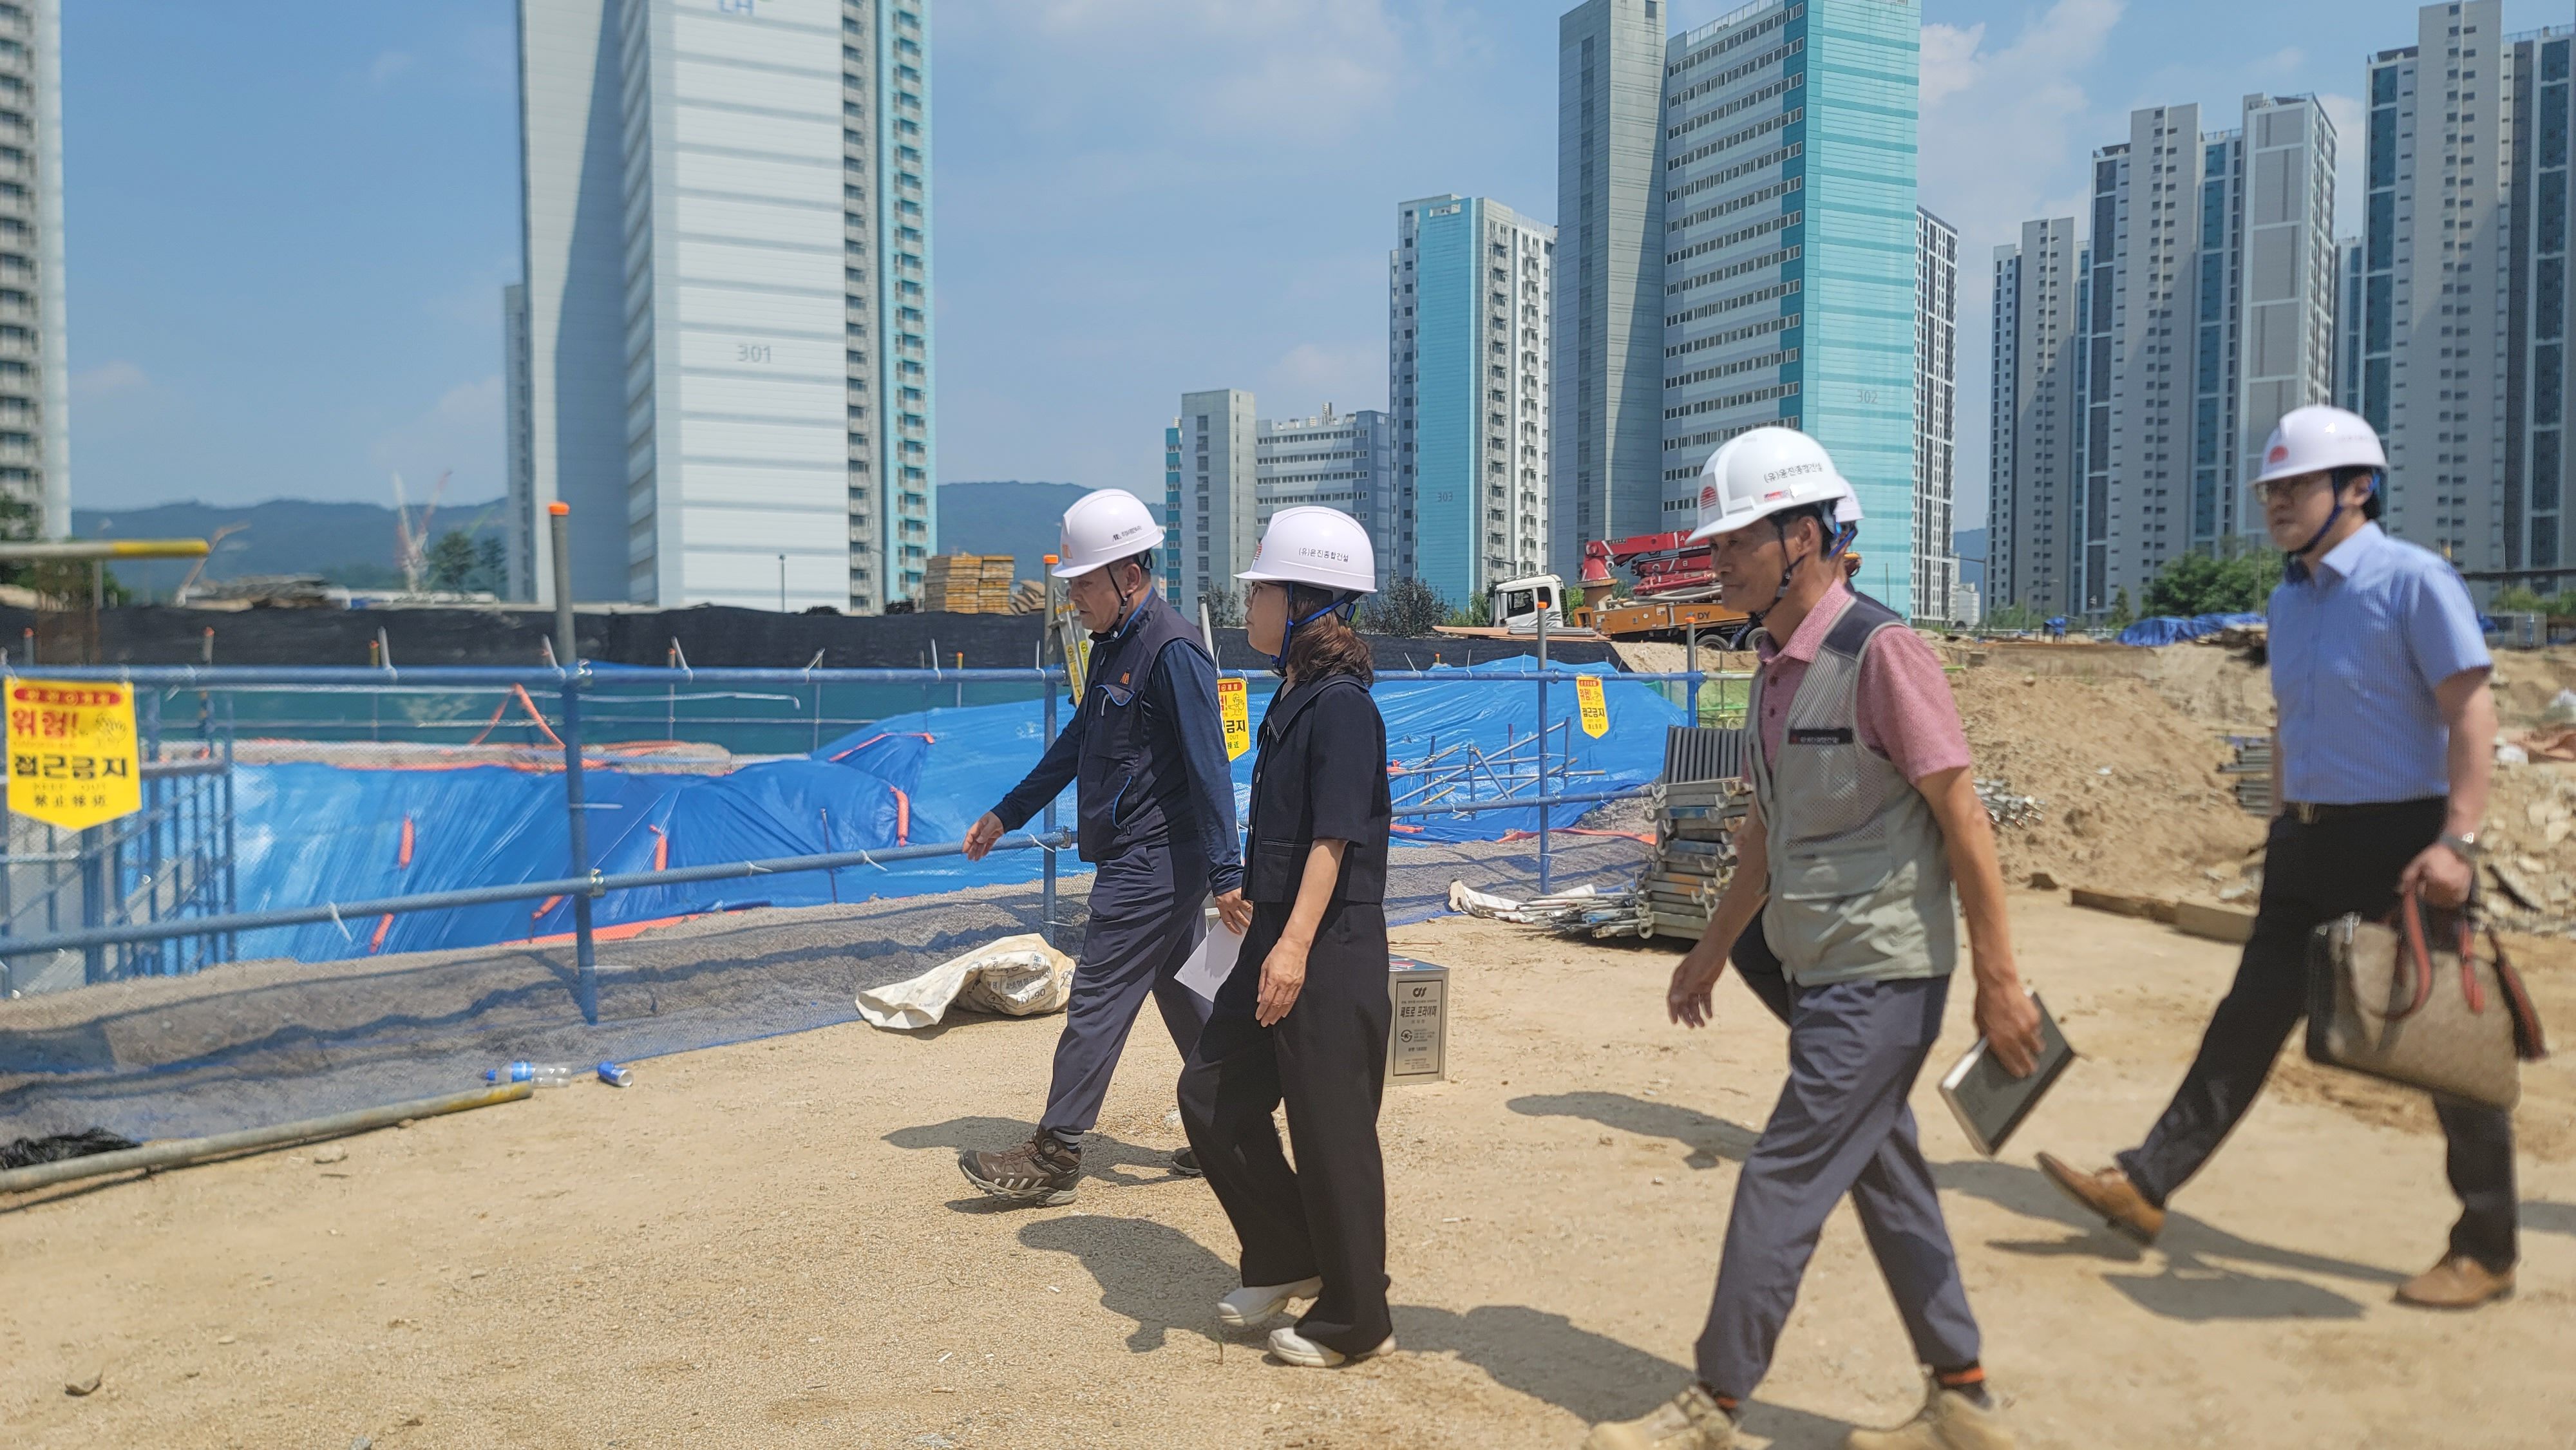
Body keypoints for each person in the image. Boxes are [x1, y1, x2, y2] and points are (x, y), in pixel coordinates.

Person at [1587, 428, 2041, 1450]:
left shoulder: (1884, 654)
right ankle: (1962, 1393)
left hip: (1883, 974)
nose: (1717, 559)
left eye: (1736, 539)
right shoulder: (1773, 668)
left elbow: (1964, 817)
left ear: (1804, 535)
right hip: (1820, 967)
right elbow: (1766, 827)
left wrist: (2001, 980)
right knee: (1888, 1172)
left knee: (1784, 1173)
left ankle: (1716, 1404)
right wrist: (1708, 949)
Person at [2038, 404, 2517, 1310]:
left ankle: (2487, 1248)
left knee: (2449, 1039)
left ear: (2358, 487)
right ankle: (2146, 1186)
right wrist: (2280, 827)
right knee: (2247, 1019)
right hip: (2308, 837)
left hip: (2408, 840)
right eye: (2272, 489)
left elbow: (2471, 711)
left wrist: (2458, 839)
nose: (2279, 503)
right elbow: (2290, 722)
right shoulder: (2288, 600)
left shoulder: (2413, 581)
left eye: (2298, 486)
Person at [956, 487, 1252, 1205]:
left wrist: (1226, 872)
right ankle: (1235, 1125)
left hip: (1154, 859)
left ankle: (1056, 1151)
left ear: (1129, 573)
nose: (1076, 597)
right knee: (1184, 990)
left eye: (1084, 582)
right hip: (1154, 858)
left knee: (1095, 995)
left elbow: (1210, 764)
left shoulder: (1172, 649)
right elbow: (1076, 744)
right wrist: (1008, 812)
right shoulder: (1119, 645)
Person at [1175, 506, 1397, 1369]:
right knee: (1213, 1096)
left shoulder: (1342, 708)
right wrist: (1252, 909)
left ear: (1306, 599)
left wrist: (1295, 944)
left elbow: (1333, 839)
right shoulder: (1293, 693)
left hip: (1327, 946)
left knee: (1331, 1127)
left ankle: (1356, 1316)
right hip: (1273, 928)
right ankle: (1285, 1253)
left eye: (1260, 589)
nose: (1250, 605)